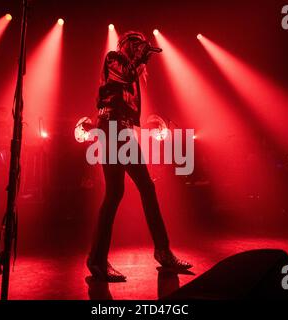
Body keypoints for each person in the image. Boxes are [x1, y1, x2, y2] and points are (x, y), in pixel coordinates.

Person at [87, 31, 192, 282]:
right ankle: (99, 260)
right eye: (134, 43)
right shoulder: (114, 58)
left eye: (141, 44)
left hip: (119, 128)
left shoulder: (132, 70)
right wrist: (140, 59)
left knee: (138, 188)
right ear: (123, 44)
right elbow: (124, 75)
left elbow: (130, 86)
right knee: (119, 192)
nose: (138, 48)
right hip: (112, 127)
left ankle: (160, 251)